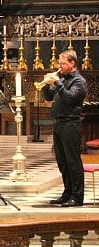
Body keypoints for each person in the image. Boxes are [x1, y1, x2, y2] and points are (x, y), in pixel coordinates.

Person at [42, 49, 87, 207]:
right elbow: (49, 97)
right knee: (62, 161)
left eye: (63, 63)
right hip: (59, 124)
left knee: (73, 161)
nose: (59, 67)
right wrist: (46, 85)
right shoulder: (64, 80)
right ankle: (67, 193)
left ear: (72, 64)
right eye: (59, 63)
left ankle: (77, 196)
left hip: (71, 124)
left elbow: (69, 98)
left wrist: (58, 83)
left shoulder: (79, 82)